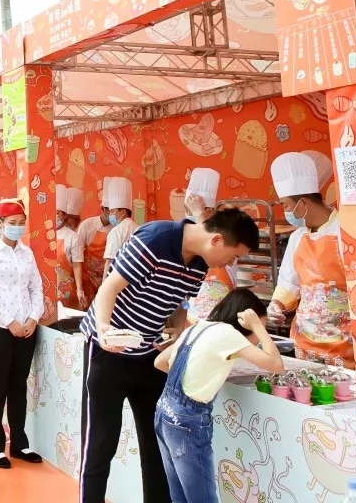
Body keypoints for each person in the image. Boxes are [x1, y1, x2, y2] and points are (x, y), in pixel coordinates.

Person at [78, 208, 260, 503]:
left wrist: (176, 329)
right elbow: (109, 288)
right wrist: (104, 329)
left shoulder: (200, 263)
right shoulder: (155, 239)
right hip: (107, 352)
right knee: (100, 443)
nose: (230, 264)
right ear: (216, 239)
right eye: (232, 256)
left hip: (151, 355)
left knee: (158, 443)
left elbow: (178, 303)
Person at [154, 289, 283, 503]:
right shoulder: (229, 335)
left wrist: (200, 378)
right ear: (244, 323)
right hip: (188, 420)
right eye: (255, 328)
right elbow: (276, 365)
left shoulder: (198, 327)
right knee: (202, 498)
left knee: (180, 497)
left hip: (165, 410)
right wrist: (259, 327)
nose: (257, 338)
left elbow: (160, 362)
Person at [0, 199, 43, 468]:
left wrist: (33, 317)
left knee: (18, 386)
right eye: (12, 223)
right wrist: (10, 321)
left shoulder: (27, 253)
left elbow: (36, 287)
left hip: (26, 329)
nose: (17, 227)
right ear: (0, 224)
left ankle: (19, 443)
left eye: (21, 223)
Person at [266, 152, 350, 364]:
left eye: (285, 205)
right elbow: (289, 282)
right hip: (304, 340)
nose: (285, 211)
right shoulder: (297, 237)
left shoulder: (346, 231)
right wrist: (276, 304)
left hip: (344, 342)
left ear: (303, 203)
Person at [182, 169, 230, 324]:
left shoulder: (224, 232)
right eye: (186, 209)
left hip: (216, 307)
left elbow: (213, 249)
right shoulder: (187, 231)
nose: (187, 214)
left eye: (191, 210)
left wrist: (199, 216)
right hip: (192, 309)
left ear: (209, 211)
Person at [77, 178, 111, 304]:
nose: (115, 215)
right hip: (89, 279)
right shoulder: (87, 225)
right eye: (112, 211)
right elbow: (77, 254)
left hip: (108, 279)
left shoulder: (118, 228)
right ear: (104, 209)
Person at [54, 186, 86, 310]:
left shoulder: (72, 236)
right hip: (48, 289)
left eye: (57, 212)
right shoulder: (44, 234)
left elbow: (77, 265)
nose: (53, 215)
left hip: (67, 291)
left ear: (64, 215)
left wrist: (80, 290)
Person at [102, 177, 137, 277]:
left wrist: (104, 284)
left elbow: (109, 263)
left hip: (119, 278)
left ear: (123, 212)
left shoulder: (116, 231)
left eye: (112, 211)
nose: (110, 215)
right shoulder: (139, 228)